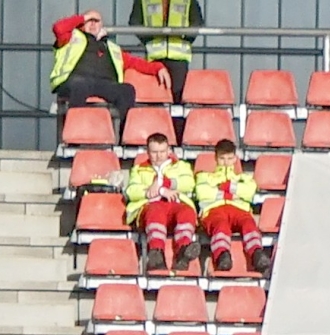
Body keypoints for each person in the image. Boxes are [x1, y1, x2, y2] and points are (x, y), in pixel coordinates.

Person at [50, 10, 167, 130]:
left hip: (104, 84)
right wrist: (84, 17)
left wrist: (158, 68)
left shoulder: (112, 48)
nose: (93, 24)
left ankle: (124, 138)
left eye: (97, 21)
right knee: (80, 86)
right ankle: (75, 133)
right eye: (90, 21)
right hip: (75, 82)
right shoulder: (71, 38)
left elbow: (135, 62)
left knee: (127, 90)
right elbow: (58, 28)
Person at [127, 132, 198, 273]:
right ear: (147, 152)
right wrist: (158, 192)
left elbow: (188, 183)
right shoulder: (138, 170)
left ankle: (183, 250)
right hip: (150, 207)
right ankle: (156, 252)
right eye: (154, 152)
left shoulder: (181, 166)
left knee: (186, 212)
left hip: (175, 204)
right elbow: (132, 191)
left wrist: (163, 184)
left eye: (162, 152)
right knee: (156, 210)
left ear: (169, 150)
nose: (159, 156)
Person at [197, 138, 270, 274]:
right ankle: (222, 256)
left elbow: (250, 190)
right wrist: (232, 194)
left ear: (235, 159)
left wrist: (228, 187)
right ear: (216, 158)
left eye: (230, 158)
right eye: (222, 158)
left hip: (239, 210)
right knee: (220, 225)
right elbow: (202, 193)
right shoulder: (204, 176)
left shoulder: (243, 178)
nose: (226, 162)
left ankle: (257, 253)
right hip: (214, 210)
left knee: (248, 222)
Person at [128, 0, 201, 103]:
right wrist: (149, 39)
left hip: (178, 58)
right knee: (155, 99)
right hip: (155, 57)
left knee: (177, 99)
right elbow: (135, 22)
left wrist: (185, 38)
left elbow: (196, 22)